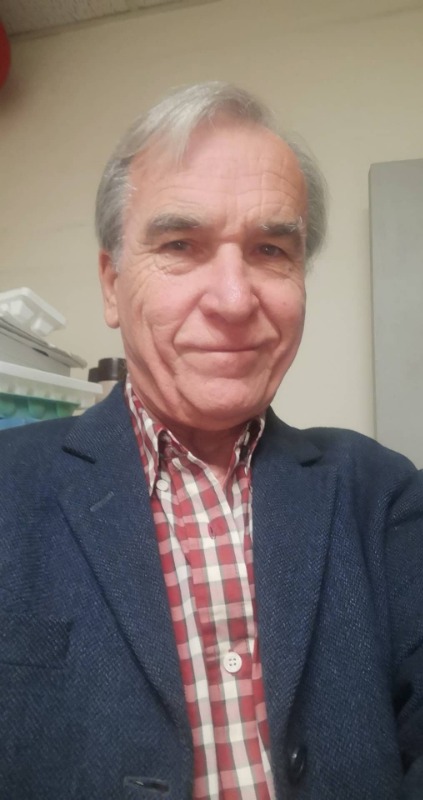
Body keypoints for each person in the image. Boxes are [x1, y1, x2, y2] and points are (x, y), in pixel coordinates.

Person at [0, 82, 422, 800]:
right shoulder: (9, 488)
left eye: (269, 249)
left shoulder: (382, 494)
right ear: (111, 282)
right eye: (179, 246)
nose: (232, 299)